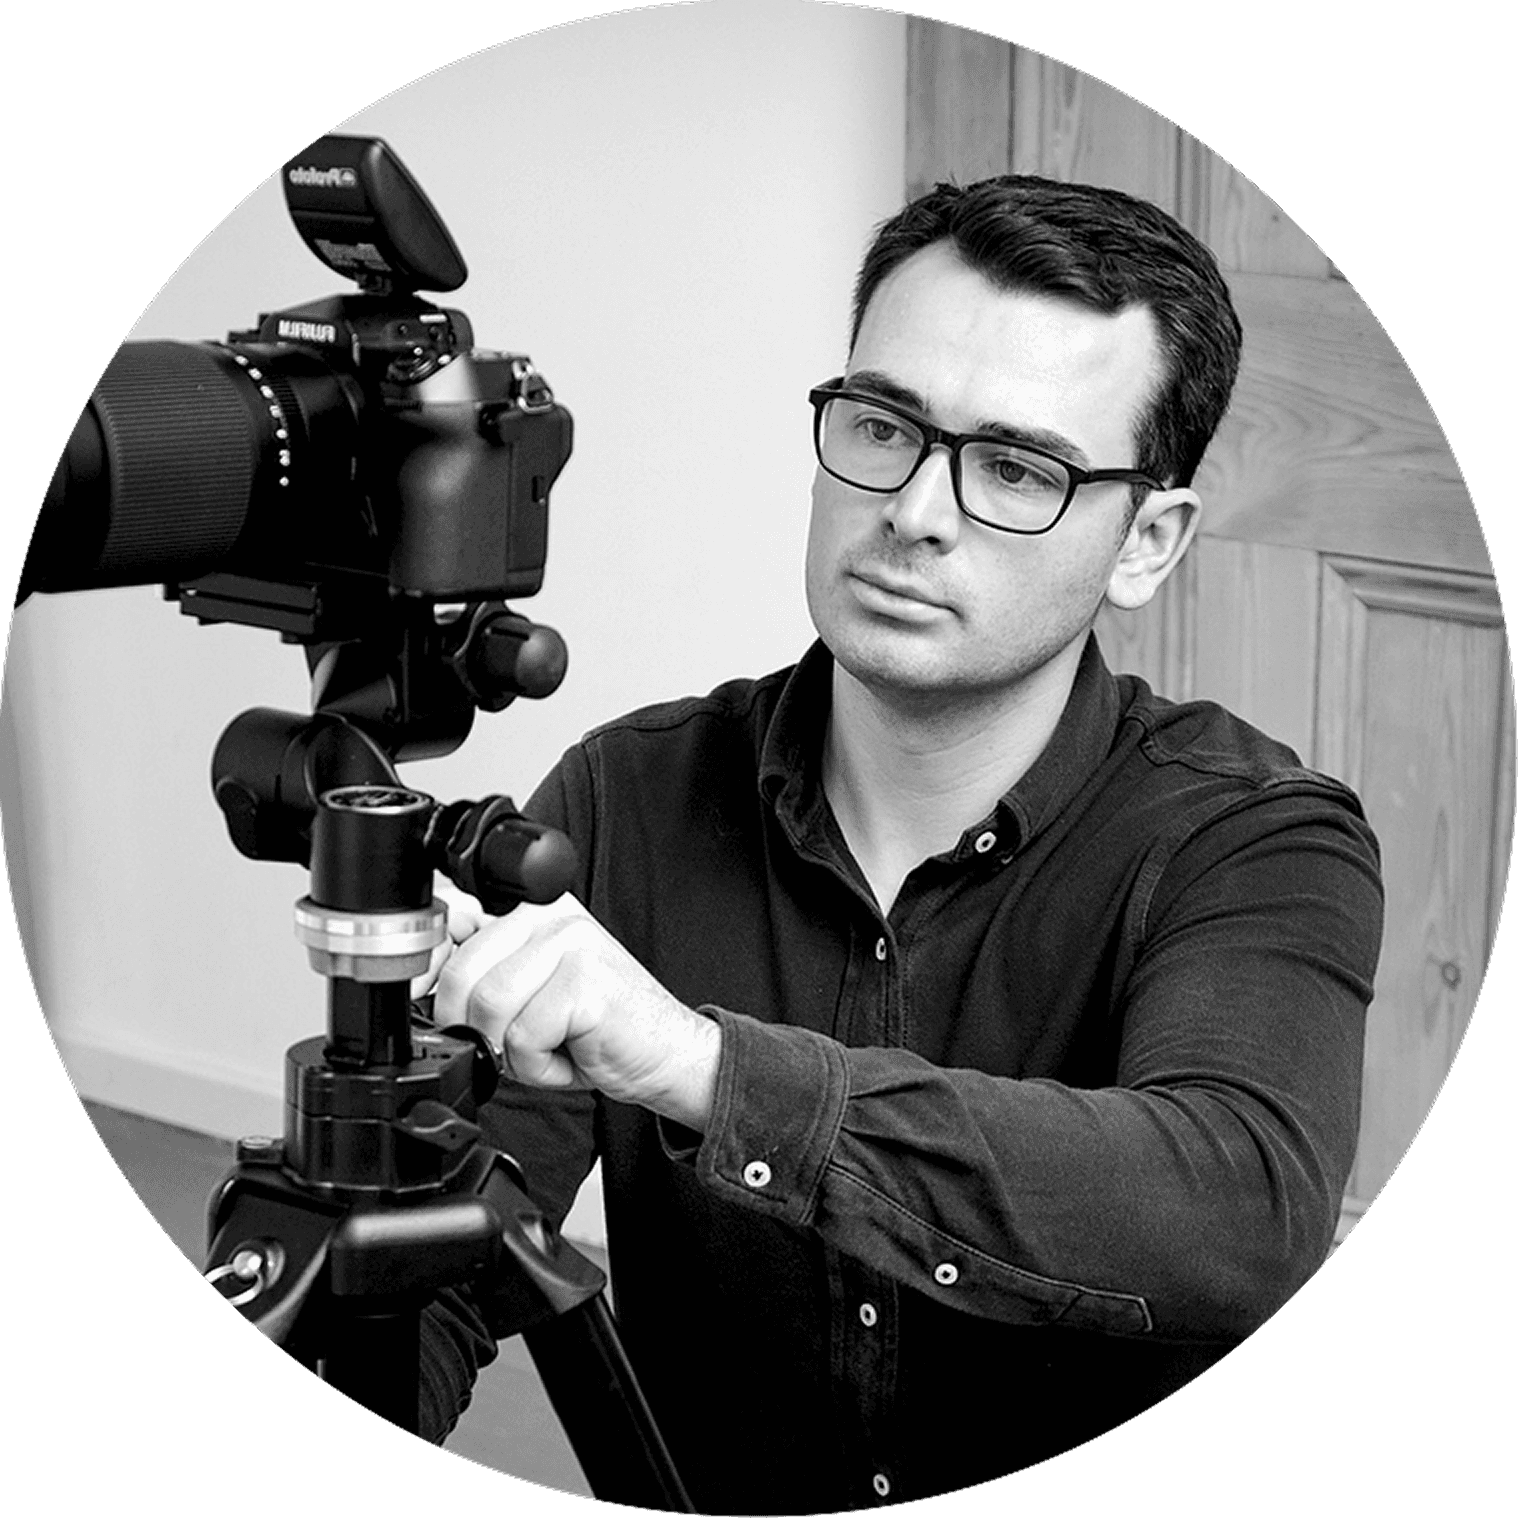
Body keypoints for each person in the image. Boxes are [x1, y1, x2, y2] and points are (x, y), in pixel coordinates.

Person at [414, 175, 1384, 1512]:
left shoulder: (1256, 834)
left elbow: (1234, 1209)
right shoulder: (621, 797)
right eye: (882, 425)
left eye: (1015, 468)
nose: (915, 509)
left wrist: (707, 1070)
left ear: (1144, 544)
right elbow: (458, 1247)